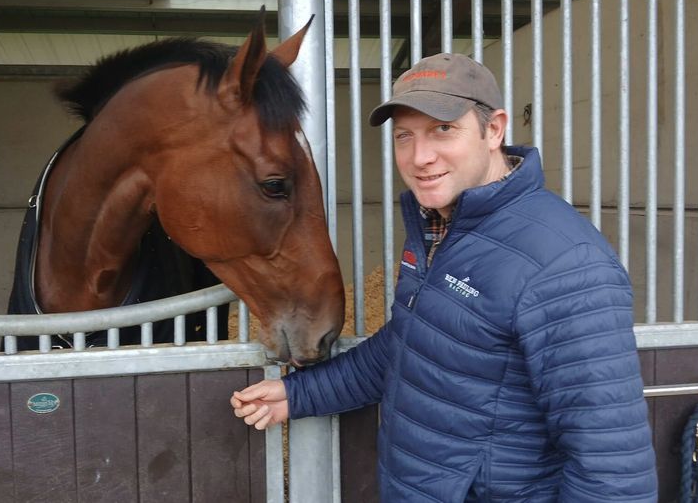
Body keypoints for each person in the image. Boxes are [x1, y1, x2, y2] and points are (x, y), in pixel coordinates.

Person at [230, 53, 658, 501]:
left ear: (493, 130)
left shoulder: (565, 263)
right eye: (404, 137)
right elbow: (414, 345)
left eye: (443, 129)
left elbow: (611, 469)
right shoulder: (443, 225)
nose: (420, 157)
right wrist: (299, 395)